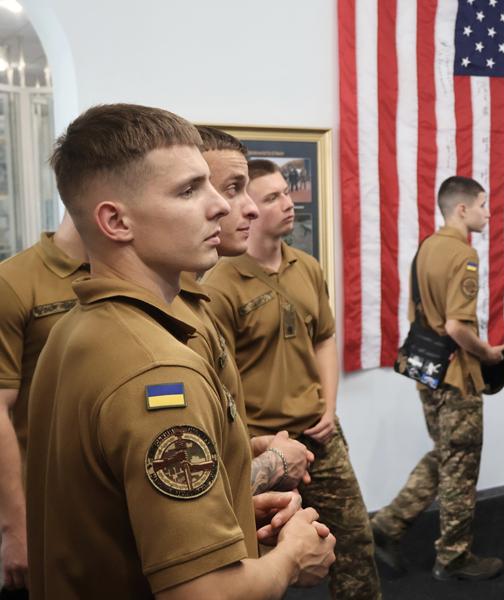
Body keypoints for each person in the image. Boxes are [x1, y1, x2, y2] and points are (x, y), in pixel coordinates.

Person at [25, 104, 335, 599]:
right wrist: (292, 558)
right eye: (189, 190)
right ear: (116, 221)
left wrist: (234, 497)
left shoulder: (76, 329)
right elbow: (203, 594)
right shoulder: (158, 369)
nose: (220, 207)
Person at [202, 159, 380, 599]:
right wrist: (248, 443)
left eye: (287, 192)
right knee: (256, 562)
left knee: (355, 543)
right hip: (261, 445)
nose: (288, 204)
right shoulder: (220, 284)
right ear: (246, 208)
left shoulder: (307, 266)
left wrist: (329, 407)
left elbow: (324, 338)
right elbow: (218, 379)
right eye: (272, 198)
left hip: (319, 436)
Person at [369, 176, 504, 581]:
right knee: (461, 464)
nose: (488, 213)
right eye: (483, 204)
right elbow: (456, 326)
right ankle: (453, 557)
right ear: (462, 209)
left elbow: (419, 316)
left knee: (447, 453)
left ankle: (387, 525)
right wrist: (488, 353)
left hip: (427, 374)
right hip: (456, 377)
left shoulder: (426, 248)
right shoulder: (464, 255)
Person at [176, 125, 314, 495]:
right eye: (232, 189)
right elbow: (189, 486)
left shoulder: (190, 304)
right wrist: (276, 462)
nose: (248, 208)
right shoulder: (171, 319)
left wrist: (247, 449)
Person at [0, 214, 88, 594]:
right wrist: (15, 527)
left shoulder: (129, 276)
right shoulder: (13, 282)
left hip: (104, 507)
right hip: (43, 511)